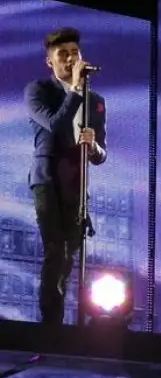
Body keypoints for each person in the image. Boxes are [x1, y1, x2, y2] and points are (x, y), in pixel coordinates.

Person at [25, 27, 107, 325]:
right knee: (55, 250)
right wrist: (73, 89)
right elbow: (55, 126)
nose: (71, 58)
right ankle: (51, 326)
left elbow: (101, 154)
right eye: (63, 54)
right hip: (48, 179)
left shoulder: (95, 99)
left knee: (70, 256)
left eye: (75, 53)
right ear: (50, 61)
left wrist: (93, 146)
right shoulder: (38, 90)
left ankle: (63, 322)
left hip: (77, 182)